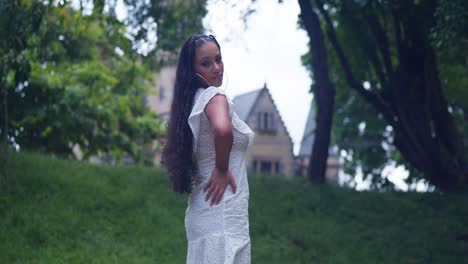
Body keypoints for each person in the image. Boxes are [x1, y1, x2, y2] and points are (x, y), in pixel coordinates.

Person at [162, 34, 255, 264]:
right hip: (222, 214)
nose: (216, 68)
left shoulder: (190, 102)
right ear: (192, 70)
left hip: (204, 213)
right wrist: (222, 169)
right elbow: (223, 130)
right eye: (206, 63)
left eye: (218, 59)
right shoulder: (214, 96)